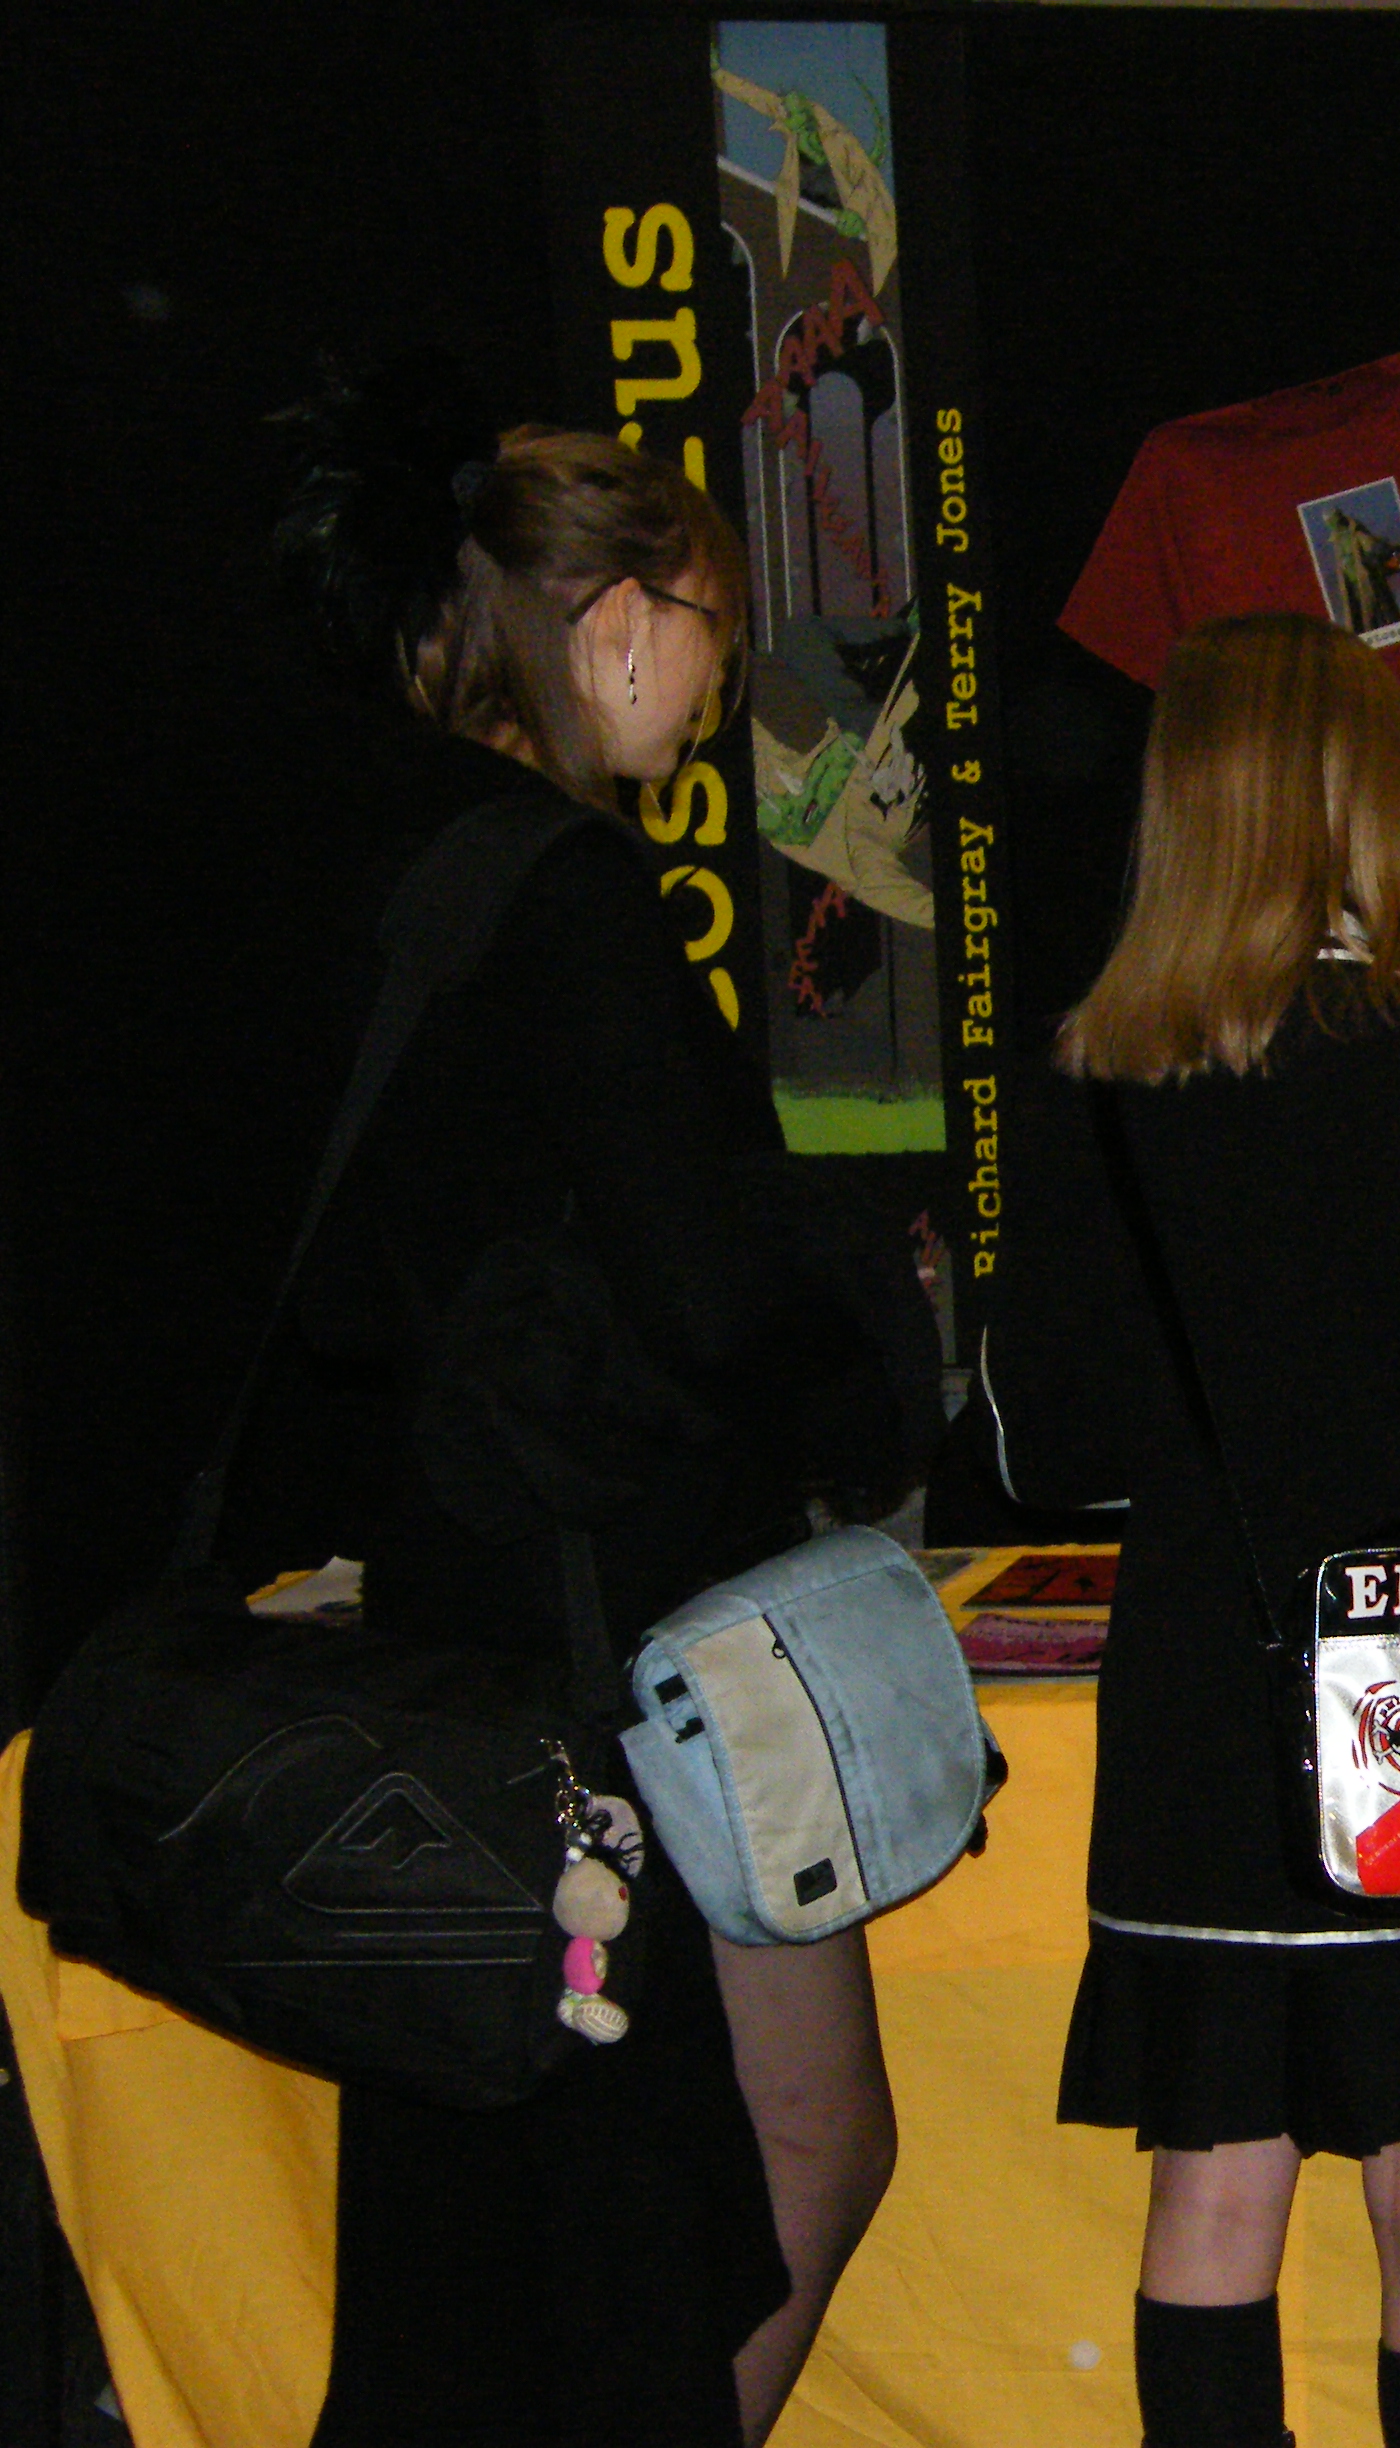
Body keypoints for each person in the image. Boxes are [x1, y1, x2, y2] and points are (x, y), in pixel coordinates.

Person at [228, 359, 936, 2443]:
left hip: (464, 1642)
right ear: (618, 619)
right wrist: (857, 1307)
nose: (714, 691)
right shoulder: (570, 892)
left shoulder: (383, 875)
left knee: (523, 2234)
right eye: (713, 629)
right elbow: (701, 1299)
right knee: (692, 2199)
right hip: (625, 1664)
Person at [964, 611, 1400, 2448]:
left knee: (1213, 2186)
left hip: (1201, 1668)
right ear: (1368, 804)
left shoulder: (1095, 1082)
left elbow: (1038, 1442)